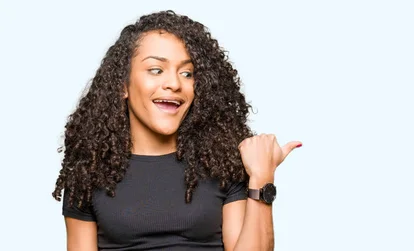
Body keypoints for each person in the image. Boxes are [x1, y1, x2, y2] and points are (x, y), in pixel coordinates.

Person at [51, 10, 301, 251]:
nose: (174, 83)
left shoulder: (224, 164)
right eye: (156, 70)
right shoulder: (87, 173)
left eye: (187, 73)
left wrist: (261, 178)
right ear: (122, 86)